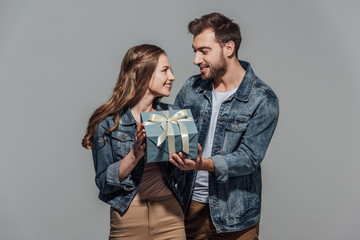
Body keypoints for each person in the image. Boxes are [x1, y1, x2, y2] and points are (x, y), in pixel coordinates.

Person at [170, 13, 279, 240]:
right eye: (195, 51)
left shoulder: (262, 99)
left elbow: (249, 157)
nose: (196, 60)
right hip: (189, 208)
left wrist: (203, 164)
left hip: (236, 216)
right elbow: (174, 138)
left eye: (204, 51)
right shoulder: (191, 87)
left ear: (228, 48)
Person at [82, 44, 186, 240]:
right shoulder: (108, 124)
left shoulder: (172, 115)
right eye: (164, 70)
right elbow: (103, 183)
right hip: (127, 216)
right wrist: (135, 155)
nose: (172, 76)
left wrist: (190, 162)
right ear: (143, 74)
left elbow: (182, 175)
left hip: (169, 214)